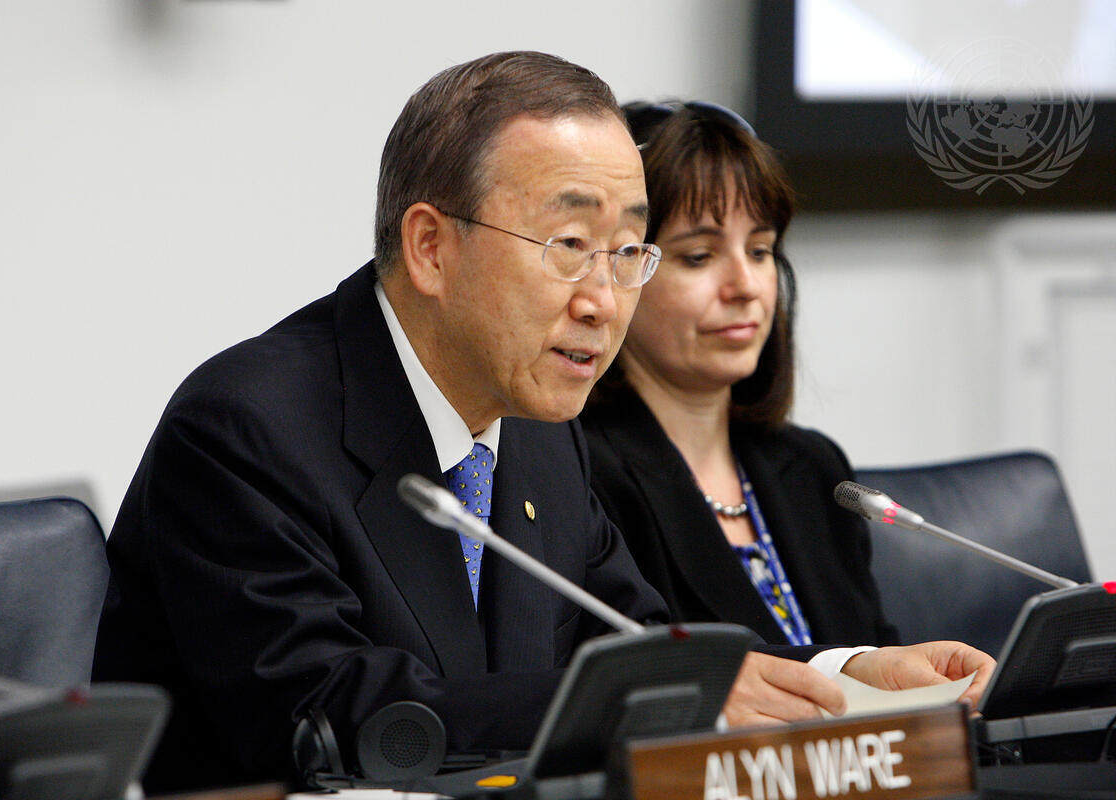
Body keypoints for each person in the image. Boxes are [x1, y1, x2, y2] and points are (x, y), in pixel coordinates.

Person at [92, 55, 993, 793]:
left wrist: (846, 679)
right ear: (431, 247)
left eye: (628, 250)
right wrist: (636, 704)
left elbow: (642, 648)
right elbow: (326, 716)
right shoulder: (247, 428)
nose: (604, 301)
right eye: (569, 247)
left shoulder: (538, 431)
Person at [582, 101, 898, 647]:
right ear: (620, 274)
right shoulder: (582, 478)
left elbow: (878, 655)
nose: (745, 286)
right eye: (699, 256)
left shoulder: (816, 469)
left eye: (759, 251)